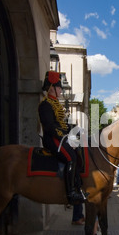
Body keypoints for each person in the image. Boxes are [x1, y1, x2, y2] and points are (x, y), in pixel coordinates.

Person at [38, 71, 87, 205]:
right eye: (59, 87)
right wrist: (65, 136)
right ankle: (70, 193)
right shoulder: (45, 105)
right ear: (51, 88)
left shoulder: (56, 104)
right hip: (53, 139)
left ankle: (78, 186)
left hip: (61, 138)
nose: (61, 90)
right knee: (70, 157)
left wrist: (74, 131)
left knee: (78, 154)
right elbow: (49, 126)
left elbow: (63, 124)